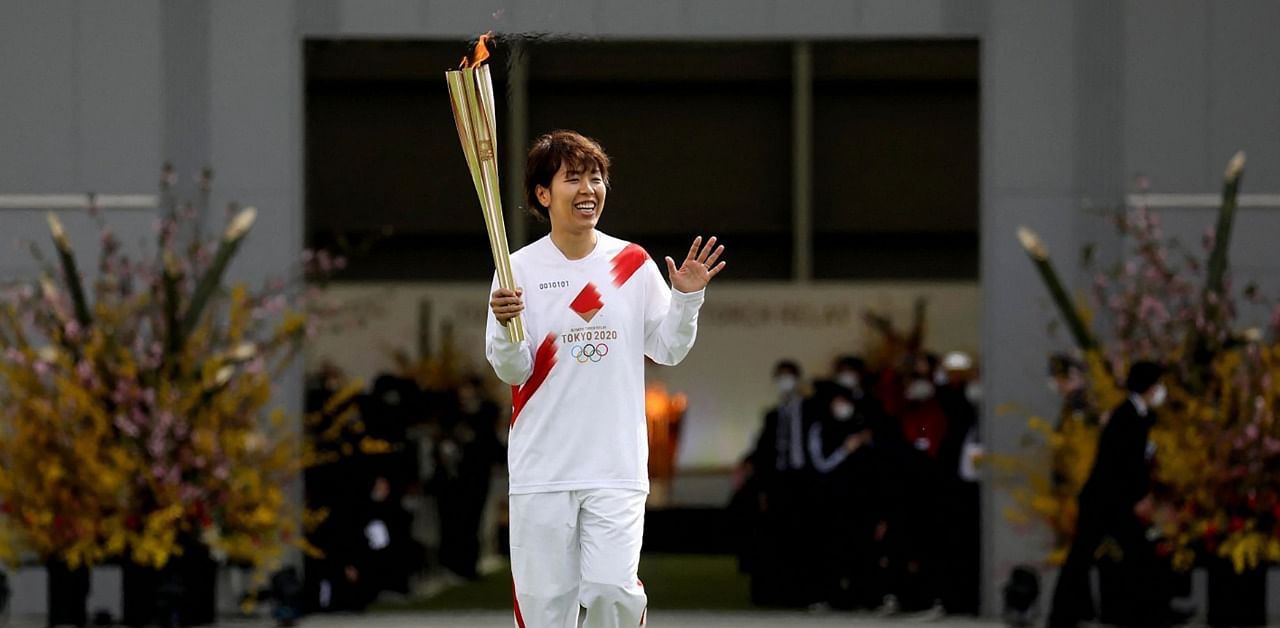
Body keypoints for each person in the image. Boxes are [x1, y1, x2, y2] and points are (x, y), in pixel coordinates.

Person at [486, 130, 725, 628]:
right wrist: (508, 331)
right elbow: (513, 368)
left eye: (596, 177)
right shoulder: (518, 270)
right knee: (544, 608)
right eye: (573, 178)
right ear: (543, 194)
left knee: (612, 591)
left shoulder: (630, 263)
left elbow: (668, 349)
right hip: (543, 469)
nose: (589, 188)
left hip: (614, 465)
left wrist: (687, 299)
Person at [1048, 361, 1170, 628]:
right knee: (1084, 556)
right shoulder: (1127, 416)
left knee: (1132, 554)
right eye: (1159, 384)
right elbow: (1125, 464)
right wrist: (1139, 498)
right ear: (1150, 387)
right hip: (1105, 501)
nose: (1163, 390)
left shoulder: (1137, 415)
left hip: (1114, 501)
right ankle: (1063, 616)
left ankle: (1144, 612)